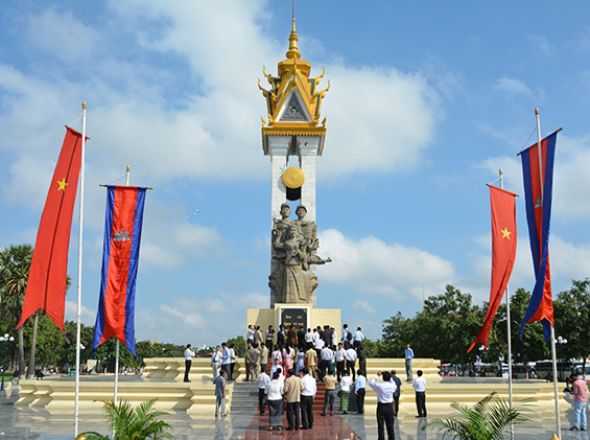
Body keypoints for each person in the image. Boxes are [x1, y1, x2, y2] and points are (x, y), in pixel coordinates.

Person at [369, 371, 397, 440]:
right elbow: (394, 383)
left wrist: (377, 376)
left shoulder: (379, 386)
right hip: (389, 406)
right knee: (390, 425)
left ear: (383, 377)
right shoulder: (392, 386)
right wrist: (390, 377)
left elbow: (371, 383)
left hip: (381, 406)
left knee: (380, 425)